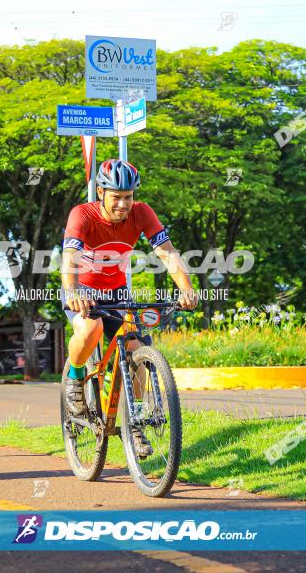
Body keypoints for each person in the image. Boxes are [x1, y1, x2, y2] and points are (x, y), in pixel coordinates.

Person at [61, 159, 198, 457]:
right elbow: (70, 256)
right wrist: (72, 290)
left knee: (136, 350)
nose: (123, 204)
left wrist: (186, 288)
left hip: (116, 291)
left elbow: (167, 252)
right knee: (92, 329)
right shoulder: (81, 215)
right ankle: (74, 377)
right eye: (116, 197)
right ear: (100, 192)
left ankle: (133, 423)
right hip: (81, 290)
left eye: (128, 197)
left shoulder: (142, 213)